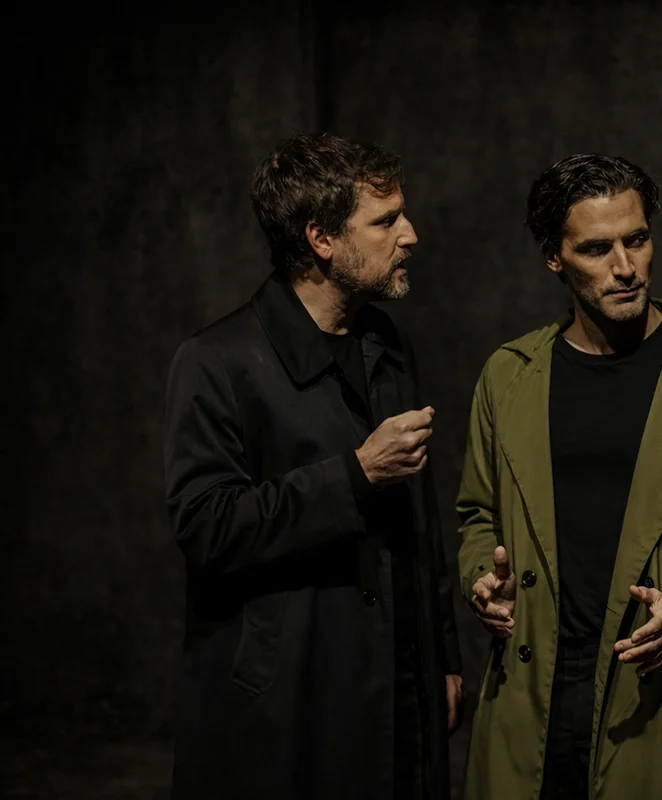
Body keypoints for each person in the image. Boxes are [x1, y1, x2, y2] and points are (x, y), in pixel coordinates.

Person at [456, 154, 662, 799]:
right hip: (532, 704)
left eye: (637, 239)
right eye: (596, 248)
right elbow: (478, 514)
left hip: (658, 702)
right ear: (554, 258)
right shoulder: (509, 375)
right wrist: (483, 579)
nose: (625, 267)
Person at [163, 133, 463, 799]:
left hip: (398, 687)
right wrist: (354, 475)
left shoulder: (387, 344)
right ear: (321, 239)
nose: (410, 234)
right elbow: (207, 528)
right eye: (385, 221)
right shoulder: (216, 362)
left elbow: (419, 523)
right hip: (292, 703)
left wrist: (441, 658)